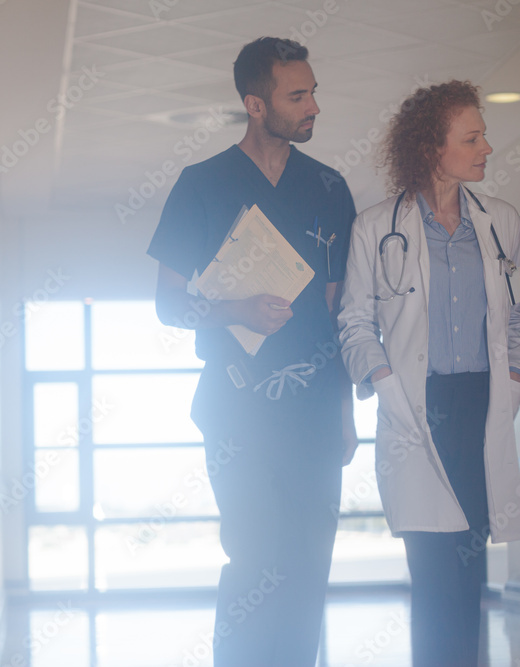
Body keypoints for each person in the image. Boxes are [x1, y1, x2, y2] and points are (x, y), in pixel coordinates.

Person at [146, 37, 357, 666]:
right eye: (299, 95)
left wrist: (346, 412)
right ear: (256, 105)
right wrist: (235, 310)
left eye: (314, 91)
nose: (314, 104)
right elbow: (166, 305)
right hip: (236, 405)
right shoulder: (201, 185)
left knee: (311, 555)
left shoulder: (328, 188)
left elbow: (338, 310)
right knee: (255, 553)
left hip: (317, 406)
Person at [338, 80, 520, 667]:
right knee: (430, 574)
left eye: (483, 135)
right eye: (471, 138)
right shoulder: (376, 228)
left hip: (481, 406)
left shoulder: (500, 222)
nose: (486, 148)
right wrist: (381, 382)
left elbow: (517, 320)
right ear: (431, 148)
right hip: (414, 410)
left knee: (469, 569)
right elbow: (353, 323)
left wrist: (518, 381)